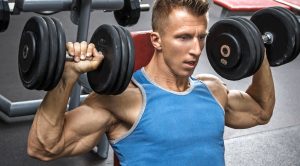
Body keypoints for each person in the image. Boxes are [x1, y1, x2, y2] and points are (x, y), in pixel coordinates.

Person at [27, 0, 275, 165]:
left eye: (202, 37)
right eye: (184, 38)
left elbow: (260, 111)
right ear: (156, 40)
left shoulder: (213, 90)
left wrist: (258, 48)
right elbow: (43, 146)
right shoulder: (123, 99)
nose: (196, 49)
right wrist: (66, 78)